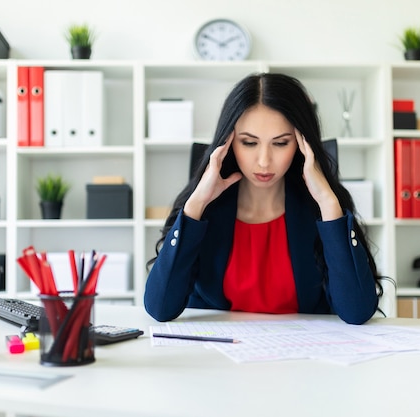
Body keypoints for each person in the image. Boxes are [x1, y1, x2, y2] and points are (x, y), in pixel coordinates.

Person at [144, 73, 381, 325]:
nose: (264, 161)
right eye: (248, 142)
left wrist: (328, 203)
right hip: (218, 354)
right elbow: (160, 308)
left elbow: (357, 312)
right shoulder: (208, 210)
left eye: (280, 143)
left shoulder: (319, 207)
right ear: (228, 142)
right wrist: (196, 204)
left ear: (303, 144)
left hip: (302, 354)